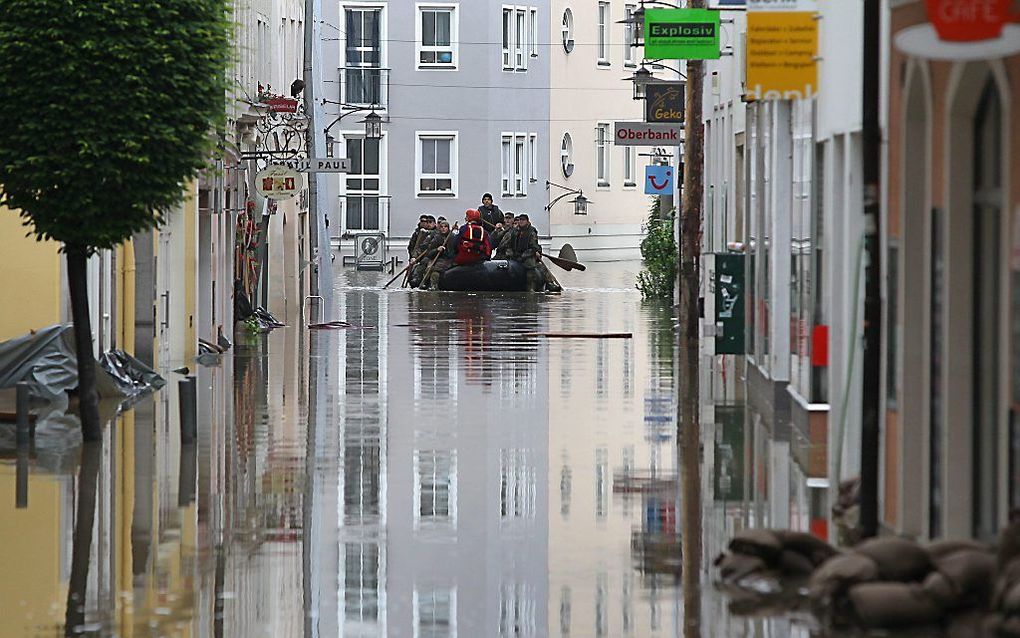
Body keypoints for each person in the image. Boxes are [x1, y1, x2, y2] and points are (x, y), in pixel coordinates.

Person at [504, 213, 542, 291]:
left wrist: (524, 255)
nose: (521, 222)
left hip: (527, 255)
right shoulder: (514, 231)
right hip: (515, 254)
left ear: (527, 221)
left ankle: (531, 288)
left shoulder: (531, 232)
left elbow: (534, 247)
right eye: (520, 220)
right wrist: (510, 253)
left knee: (530, 266)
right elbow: (509, 245)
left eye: (523, 220)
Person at [423, 220, 458, 290]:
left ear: (448, 228)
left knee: (435, 272)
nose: (443, 228)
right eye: (441, 227)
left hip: (449, 260)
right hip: (438, 259)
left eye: (445, 227)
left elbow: (455, 251)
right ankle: (427, 284)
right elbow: (429, 253)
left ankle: (434, 286)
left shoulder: (453, 237)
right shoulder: (436, 238)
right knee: (429, 269)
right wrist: (437, 250)